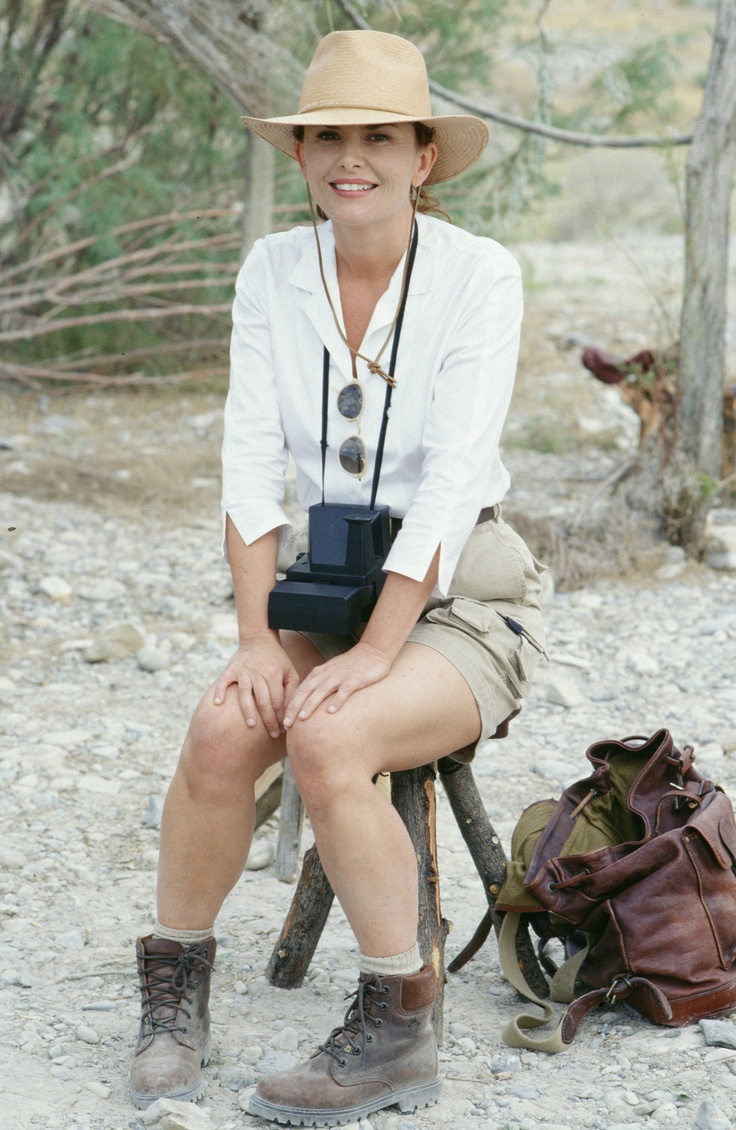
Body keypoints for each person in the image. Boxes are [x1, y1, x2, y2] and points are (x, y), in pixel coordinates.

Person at [129, 28, 547, 1127]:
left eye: (376, 135)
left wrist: (373, 653)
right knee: (227, 722)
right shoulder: (274, 266)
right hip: (325, 583)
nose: (346, 156)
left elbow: (455, 483)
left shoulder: (478, 275)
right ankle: (176, 987)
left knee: (330, 735)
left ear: (423, 158)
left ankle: (398, 1021)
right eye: (326, 136)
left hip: (460, 596)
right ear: (305, 154)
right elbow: (245, 459)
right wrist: (259, 637)